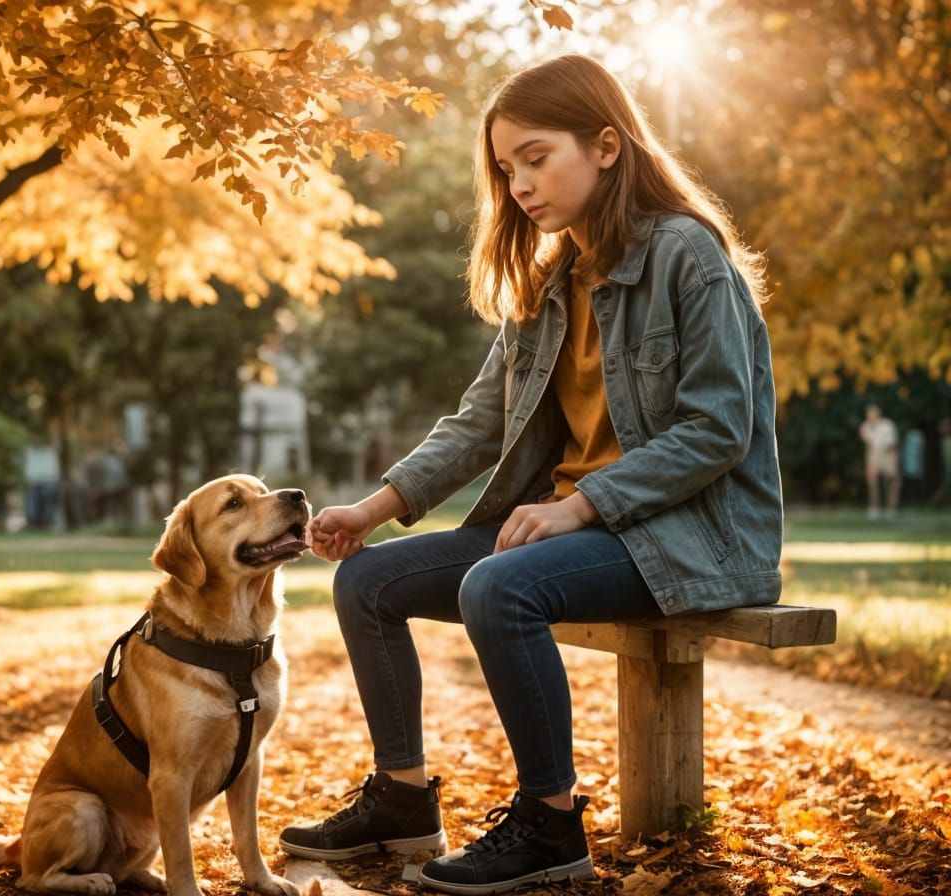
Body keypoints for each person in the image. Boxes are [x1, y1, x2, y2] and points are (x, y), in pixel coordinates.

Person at [279, 54, 783, 894]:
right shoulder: (553, 282)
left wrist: (583, 506)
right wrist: (372, 508)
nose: (518, 184)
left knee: (497, 587)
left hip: (690, 537)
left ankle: (551, 823)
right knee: (366, 580)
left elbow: (718, 430)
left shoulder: (688, 258)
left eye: (536, 157)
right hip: (580, 526)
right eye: (506, 168)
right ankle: (403, 803)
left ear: (608, 146)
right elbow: (479, 422)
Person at [858, 404, 900, 519]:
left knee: (892, 481)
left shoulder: (887, 425)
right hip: (873, 455)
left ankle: (892, 508)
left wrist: (893, 460)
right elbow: (867, 443)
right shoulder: (865, 426)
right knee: (872, 482)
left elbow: (892, 444)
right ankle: (874, 508)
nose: (871, 417)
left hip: (887, 454)